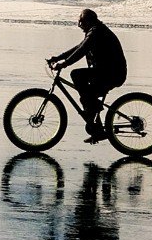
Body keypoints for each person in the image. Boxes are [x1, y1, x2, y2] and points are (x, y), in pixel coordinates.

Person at [48, 9, 127, 143]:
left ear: (88, 21)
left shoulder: (96, 32)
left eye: (81, 22)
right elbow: (79, 47)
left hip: (112, 74)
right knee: (89, 97)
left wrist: (64, 64)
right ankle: (97, 128)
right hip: (107, 72)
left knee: (77, 75)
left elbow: (82, 50)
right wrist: (58, 57)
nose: (80, 26)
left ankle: (92, 113)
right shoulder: (95, 31)